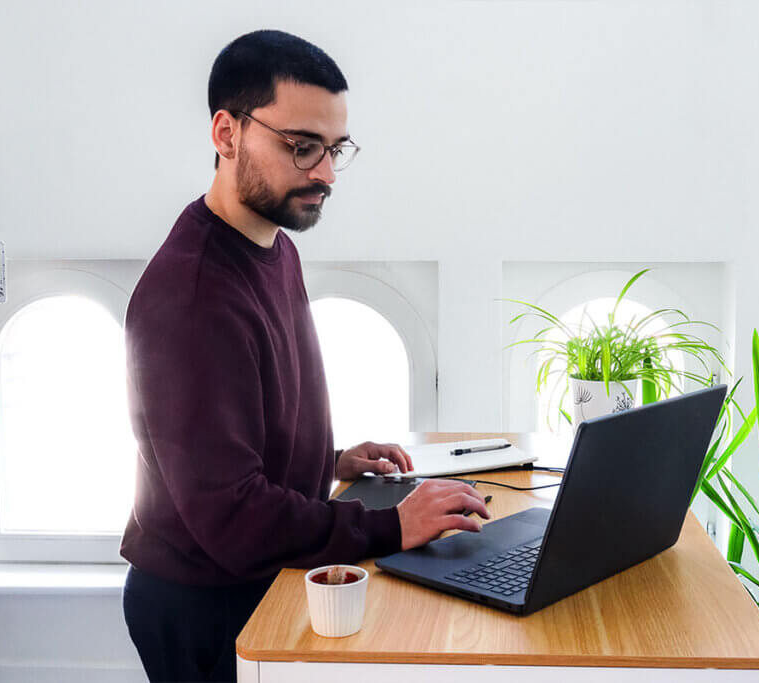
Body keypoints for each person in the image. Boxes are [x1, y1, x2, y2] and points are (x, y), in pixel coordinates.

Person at [119, 29, 490, 683]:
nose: (325, 173)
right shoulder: (193, 296)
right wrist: (390, 526)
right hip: (205, 605)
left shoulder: (272, 244)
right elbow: (230, 514)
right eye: (301, 147)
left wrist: (328, 459)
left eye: (334, 149)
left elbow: (237, 437)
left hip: (255, 576)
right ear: (226, 133)